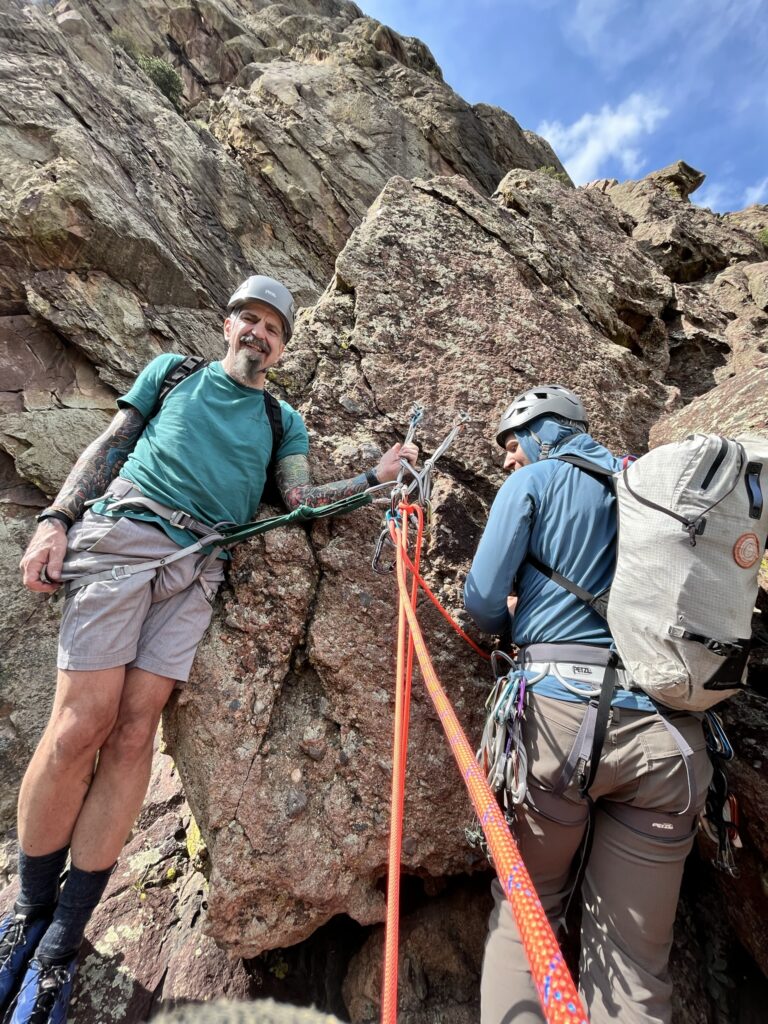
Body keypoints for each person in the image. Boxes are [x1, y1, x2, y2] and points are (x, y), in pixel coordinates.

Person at [3, 275, 417, 1024]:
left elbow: (297, 500)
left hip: (199, 568)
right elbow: (113, 443)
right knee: (78, 725)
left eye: (274, 328)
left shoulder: (280, 418)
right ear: (227, 325)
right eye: (249, 319)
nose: (259, 333)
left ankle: (62, 945)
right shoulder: (174, 372)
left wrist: (372, 480)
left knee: (133, 734)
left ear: (283, 346)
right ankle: (25, 919)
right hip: (125, 533)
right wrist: (57, 517)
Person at [464, 384, 712, 1024]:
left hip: (560, 722)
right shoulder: (649, 486)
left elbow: (483, 600)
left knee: (528, 911)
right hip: (668, 739)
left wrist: (517, 615)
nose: (509, 462)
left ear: (541, 431)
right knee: (632, 967)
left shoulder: (536, 482)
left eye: (512, 446)